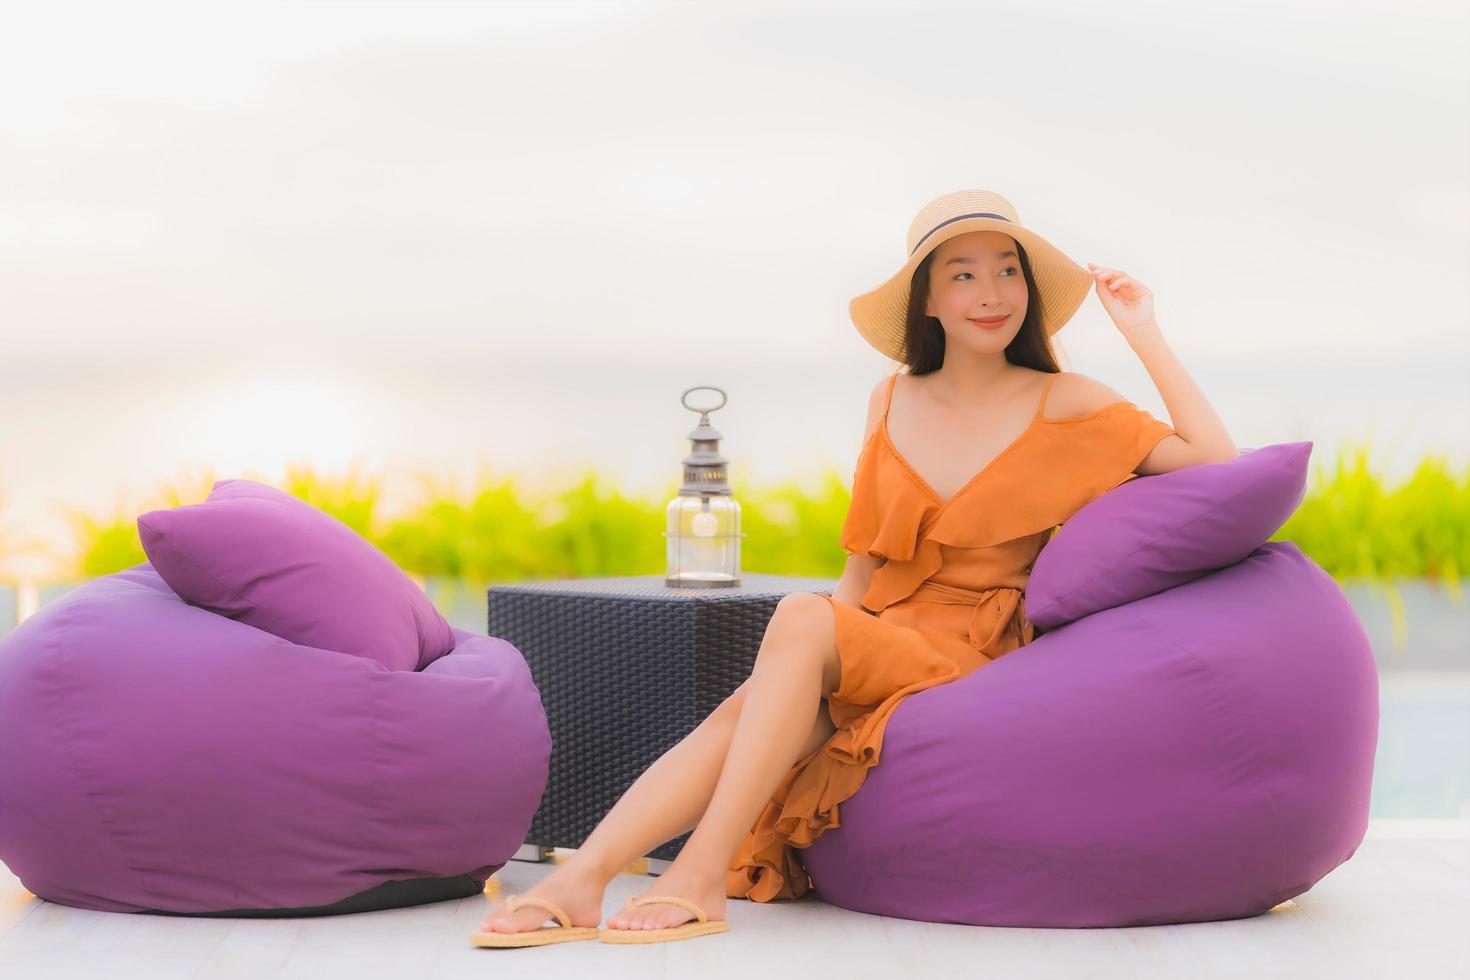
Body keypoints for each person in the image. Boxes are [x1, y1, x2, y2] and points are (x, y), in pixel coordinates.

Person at [474, 188, 1238, 944]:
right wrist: (806, 660)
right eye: (964, 274)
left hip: (970, 654)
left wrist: (1143, 330)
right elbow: (863, 576)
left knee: (800, 620)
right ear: (928, 301)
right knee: (750, 701)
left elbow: (1213, 462)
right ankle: (582, 878)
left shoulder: (1066, 399)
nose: (992, 293)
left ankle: (699, 872)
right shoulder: (890, 398)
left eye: (1008, 271)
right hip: (882, 640)